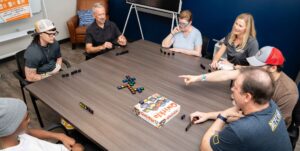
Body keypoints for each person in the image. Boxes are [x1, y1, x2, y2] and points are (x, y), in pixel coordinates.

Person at [179, 46, 299, 127]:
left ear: (273, 68)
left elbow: (273, 125)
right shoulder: (257, 72)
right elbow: (226, 74)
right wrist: (198, 78)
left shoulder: (289, 92)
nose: (253, 68)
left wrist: (214, 116)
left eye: (259, 65)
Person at [200, 68, 292, 151]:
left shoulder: (241, 130)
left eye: (235, 87)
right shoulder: (270, 104)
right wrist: (208, 115)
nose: (232, 89)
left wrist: (222, 117)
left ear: (247, 96)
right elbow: (238, 112)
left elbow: (205, 147)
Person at [0, 98, 84, 151]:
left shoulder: (14, 135)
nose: (29, 120)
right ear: (12, 128)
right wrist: (78, 149)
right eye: (26, 118)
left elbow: (28, 132)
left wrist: (60, 136)